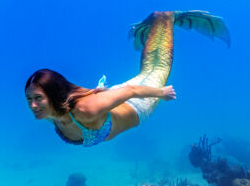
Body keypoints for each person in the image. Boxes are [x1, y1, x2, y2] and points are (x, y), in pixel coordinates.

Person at [25, 11, 230, 147]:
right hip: (112, 98)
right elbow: (69, 95)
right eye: (29, 99)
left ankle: (166, 18)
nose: (33, 105)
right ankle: (155, 25)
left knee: (156, 68)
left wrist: (161, 93)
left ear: (52, 95)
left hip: (137, 104)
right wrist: (95, 92)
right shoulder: (51, 112)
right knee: (145, 71)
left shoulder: (86, 110)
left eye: (38, 98)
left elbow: (131, 92)